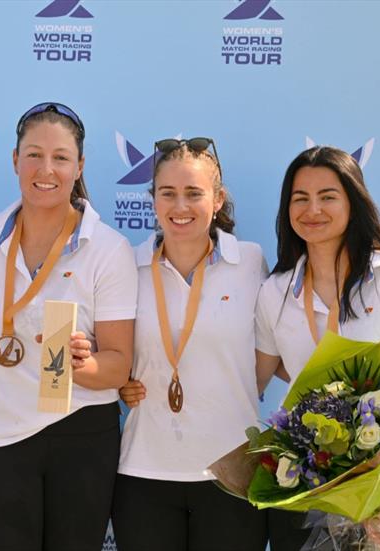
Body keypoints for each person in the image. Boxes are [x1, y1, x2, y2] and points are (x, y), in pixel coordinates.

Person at [255, 146, 380, 550]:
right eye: (300, 198)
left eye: (328, 196)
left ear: (353, 202)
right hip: (302, 495)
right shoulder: (274, 292)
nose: (313, 209)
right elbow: (263, 370)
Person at [0, 102, 137, 551]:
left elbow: (118, 365)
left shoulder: (108, 247)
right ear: (14, 160)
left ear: (79, 166)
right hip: (0, 433)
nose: (47, 169)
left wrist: (80, 365)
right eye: (34, 155)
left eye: (61, 157)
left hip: (80, 432)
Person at [112, 138, 268, 550]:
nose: (180, 207)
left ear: (217, 200)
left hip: (233, 473)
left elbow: (278, 348)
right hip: (144, 471)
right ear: (153, 200)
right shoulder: (127, 263)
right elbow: (106, 350)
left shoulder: (251, 262)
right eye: (168, 194)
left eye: (194, 194)